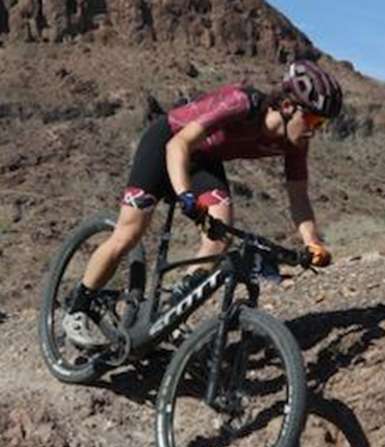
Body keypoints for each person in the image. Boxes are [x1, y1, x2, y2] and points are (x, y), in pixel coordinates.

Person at [63, 59, 343, 347]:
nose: (314, 131)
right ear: (287, 106)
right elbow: (178, 145)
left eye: (321, 124)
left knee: (218, 237)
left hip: (203, 161)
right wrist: (185, 194)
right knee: (129, 233)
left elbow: (299, 196)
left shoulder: (295, 143)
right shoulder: (243, 103)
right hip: (168, 142)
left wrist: (312, 243)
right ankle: (77, 308)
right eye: (313, 121)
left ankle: (169, 315)